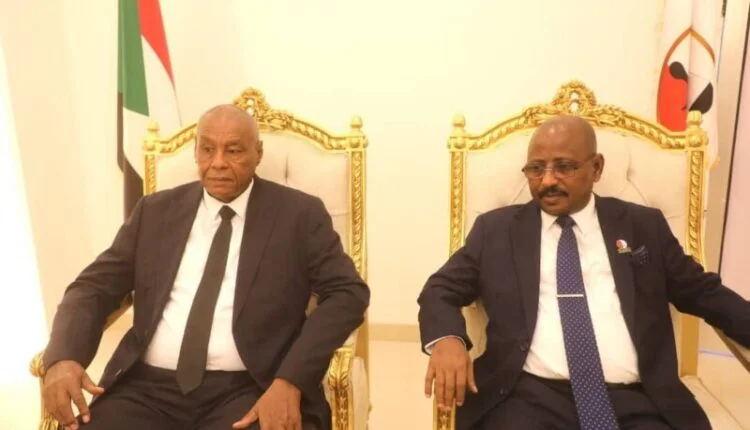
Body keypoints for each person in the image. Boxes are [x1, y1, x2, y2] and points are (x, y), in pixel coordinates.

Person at [42, 104, 369, 430]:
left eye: (234, 150)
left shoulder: (298, 215)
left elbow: (347, 292)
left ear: (258, 153)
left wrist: (290, 380)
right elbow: (93, 287)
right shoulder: (155, 211)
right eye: (207, 149)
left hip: (251, 387)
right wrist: (64, 356)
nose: (218, 163)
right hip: (146, 390)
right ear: (196, 152)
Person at [418, 115, 750, 430]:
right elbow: (441, 288)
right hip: (526, 397)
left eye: (564, 167)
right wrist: (448, 339)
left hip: (639, 399)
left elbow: (702, 291)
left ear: (596, 168)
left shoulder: (643, 226)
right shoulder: (496, 230)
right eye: (536, 169)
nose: (548, 180)